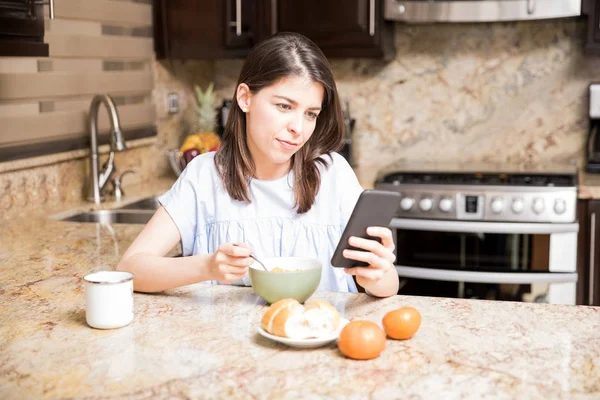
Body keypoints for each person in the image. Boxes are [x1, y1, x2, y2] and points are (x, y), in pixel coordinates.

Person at [116, 32, 399, 298]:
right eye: (284, 107)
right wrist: (207, 267)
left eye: (310, 114)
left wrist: (376, 275)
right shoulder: (203, 175)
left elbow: (389, 285)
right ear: (245, 98)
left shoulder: (333, 174)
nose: (298, 128)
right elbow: (130, 269)